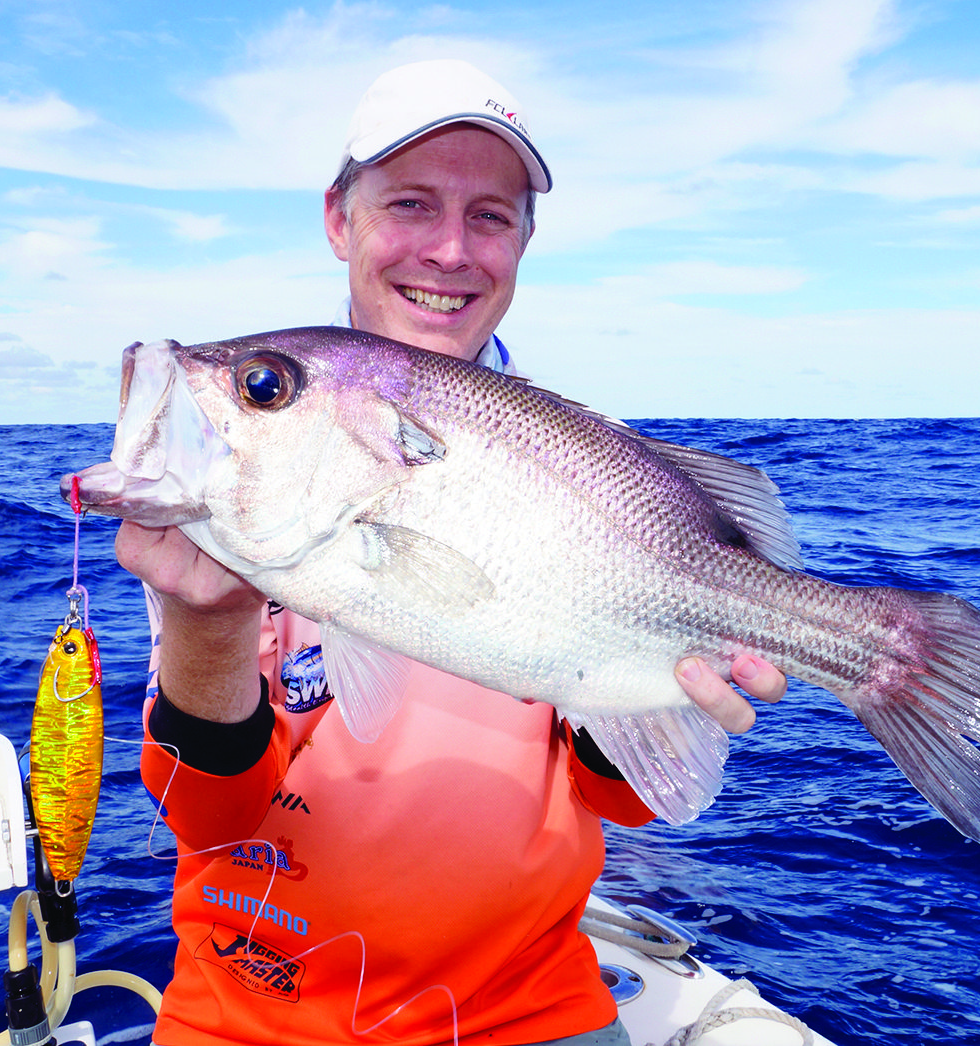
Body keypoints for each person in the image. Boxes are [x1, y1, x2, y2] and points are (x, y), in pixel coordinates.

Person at [117, 59, 788, 1046]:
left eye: (489, 216)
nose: (448, 249)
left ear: (523, 242)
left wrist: (662, 685)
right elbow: (210, 817)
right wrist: (205, 626)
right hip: (255, 1018)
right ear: (339, 219)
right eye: (411, 203)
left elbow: (629, 800)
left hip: (536, 1010)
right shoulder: (250, 485)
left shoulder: (592, 458)